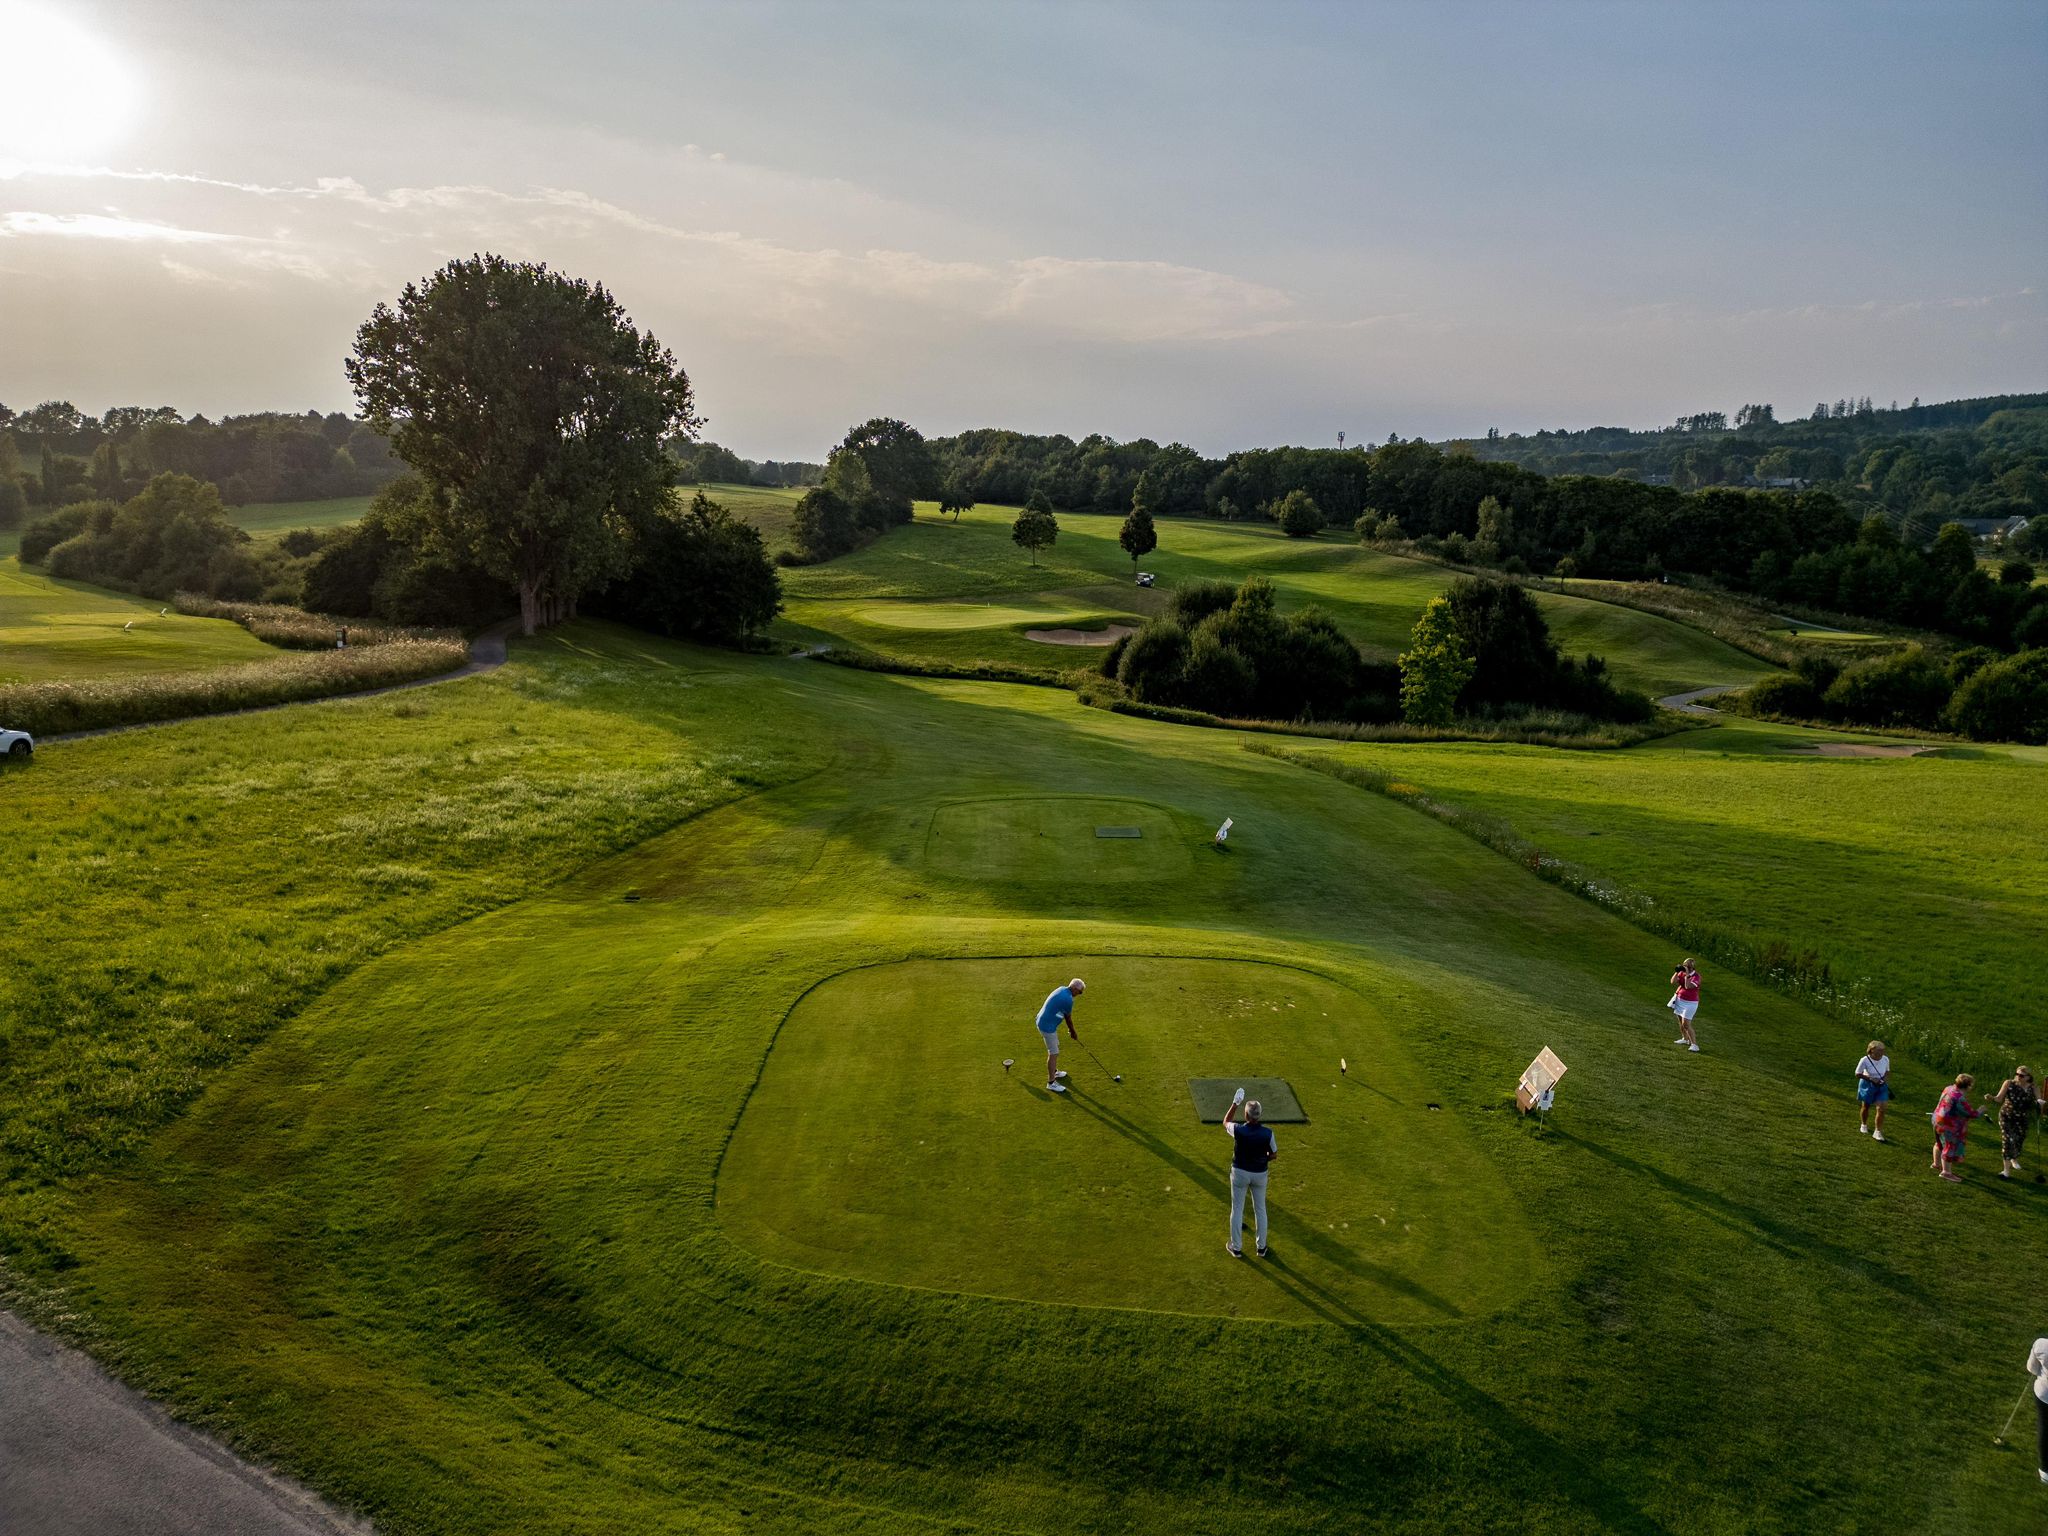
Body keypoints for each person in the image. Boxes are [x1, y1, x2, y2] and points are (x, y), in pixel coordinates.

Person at [1223, 1089, 1278, 1259]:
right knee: (1260, 1209)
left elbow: (1226, 1122)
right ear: (1259, 1116)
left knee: (1237, 1208)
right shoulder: (1268, 1133)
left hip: (1239, 1173)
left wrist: (1235, 1103)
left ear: (1246, 1116)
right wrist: (1262, 1159)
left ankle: (1236, 1248)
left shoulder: (1239, 1130)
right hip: (1260, 1174)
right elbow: (1274, 1154)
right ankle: (1261, 1248)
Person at [1034, 977, 1085, 1093]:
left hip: (1043, 1021)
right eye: (1080, 992)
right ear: (1075, 989)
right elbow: (1068, 1018)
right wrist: (1073, 1032)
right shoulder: (1068, 1000)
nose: (1079, 994)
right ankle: (1051, 1082)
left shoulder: (1062, 989)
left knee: (1055, 1046)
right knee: (1054, 1052)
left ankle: (1055, 1071)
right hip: (1046, 1026)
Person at [1991, 1066, 2039, 1180]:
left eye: (2021, 1075)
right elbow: (1999, 1098)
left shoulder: (2034, 1087)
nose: (2018, 1077)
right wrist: (1991, 1098)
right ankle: (2006, 1171)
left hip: (2022, 1118)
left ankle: (2014, 1158)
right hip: (2006, 1116)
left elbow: (2039, 1102)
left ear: (2028, 1077)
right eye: (2017, 1074)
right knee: (2008, 1140)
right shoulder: (2009, 1083)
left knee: (2019, 1139)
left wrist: (2040, 1105)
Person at [1930, 1074, 1980, 1182]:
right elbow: (1971, 1113)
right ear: (1968, 1086)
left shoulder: (1949, 1088)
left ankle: (1936, 1164)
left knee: (1939, 1143)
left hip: (1936, 1119)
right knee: (1949, 1147)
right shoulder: (1959, 1098)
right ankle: (1946, 1173)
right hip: (1948, 1125)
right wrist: (1981, 1110)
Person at [1855, 1042, 1892, 1141]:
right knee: (1866, 1106)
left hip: (1881, 1085)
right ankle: (1864, 1124)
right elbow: (1858, 1074)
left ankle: (1878, 1131)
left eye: (1883, 1050)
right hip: (1867, 1085)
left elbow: (1887, 1072)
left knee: (1882, 1108)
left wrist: (1884, 1079)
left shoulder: (1885, 1059)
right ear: (1872, 1050)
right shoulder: (1865, 1060)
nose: (1882, 1052)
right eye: (1879, 1050)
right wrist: (1871, 1079)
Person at [1668, 959, 1701, 1052]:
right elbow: (1672, 982)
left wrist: (1686, 975)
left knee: (1685, 1024)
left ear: (1692, 968)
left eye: (1687, 966)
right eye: (1684, 965)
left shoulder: (1696, 976)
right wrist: (1677, 972)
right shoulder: (1681, 973)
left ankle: (1694, 1045)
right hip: (1679, 999)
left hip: (1691, 1003)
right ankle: (1685, 1039)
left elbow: (1687, 986)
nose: (1685, 968)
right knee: (1680, 1020)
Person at [2029, 1334, 2048, 1486]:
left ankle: (2045, 1471)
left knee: (2045, 1428)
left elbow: (2032, 1369)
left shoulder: (2041, 1344)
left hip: (2044, 1394)